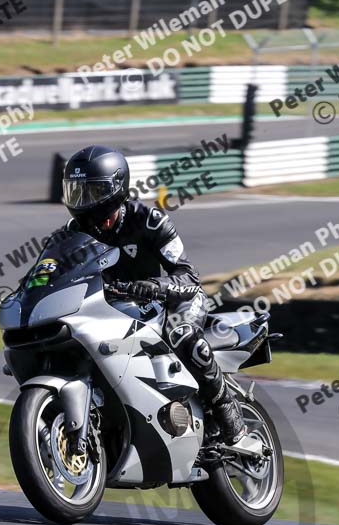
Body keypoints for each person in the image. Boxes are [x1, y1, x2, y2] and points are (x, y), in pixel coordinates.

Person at [60, 144, 252, 449]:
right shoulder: (70, 234)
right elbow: (49, 273)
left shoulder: (149, 220)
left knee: (185, 335)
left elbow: (189, 276)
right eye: (77, 193)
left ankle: (231, 420)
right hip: (116, 309)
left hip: (174, 301)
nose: (85, 203)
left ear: (117, 189)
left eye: (93, 193)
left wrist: (155, 286)